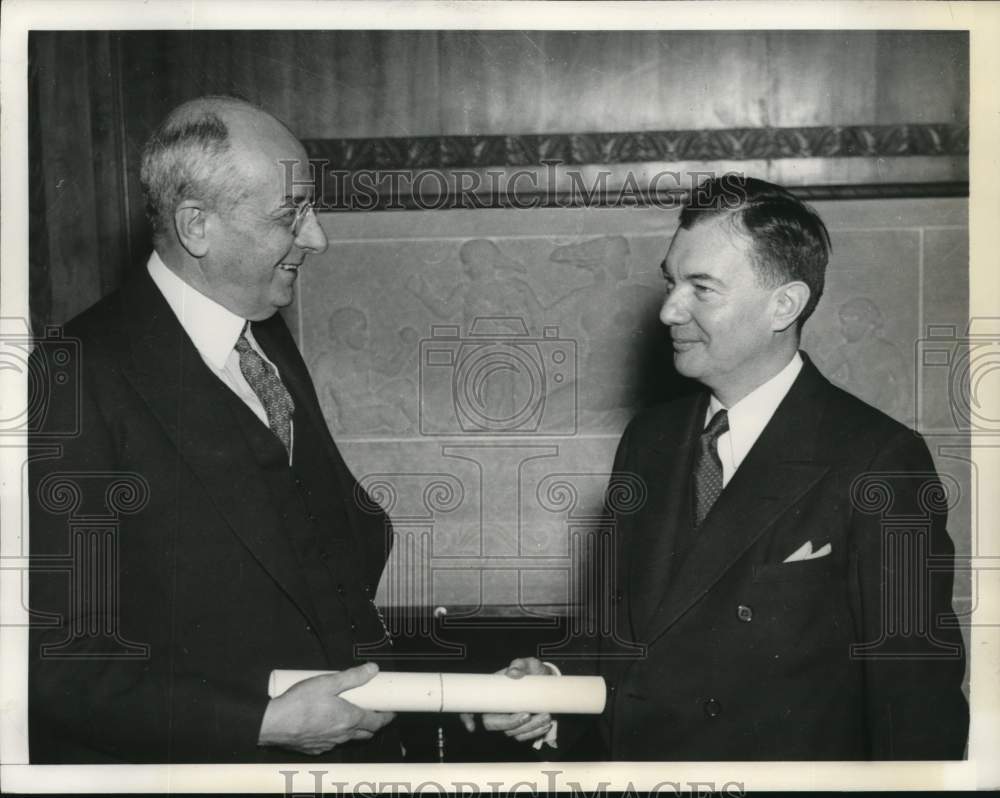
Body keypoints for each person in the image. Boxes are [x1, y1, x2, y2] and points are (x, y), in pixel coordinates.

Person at [476, 176, 969, 760]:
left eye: (700, 288)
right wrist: (555, 685)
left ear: (784, 304)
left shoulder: (879, 460)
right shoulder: (648, 442)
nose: (668, 310)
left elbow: (913, 702)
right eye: (670, 281)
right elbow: (626, 638)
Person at [28, 96, 399, 763]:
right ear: (196, 226)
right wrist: (261, 723)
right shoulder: (72, 375)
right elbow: (59, 667)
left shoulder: (264, 334)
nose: (317, 239)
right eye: (291, 216)